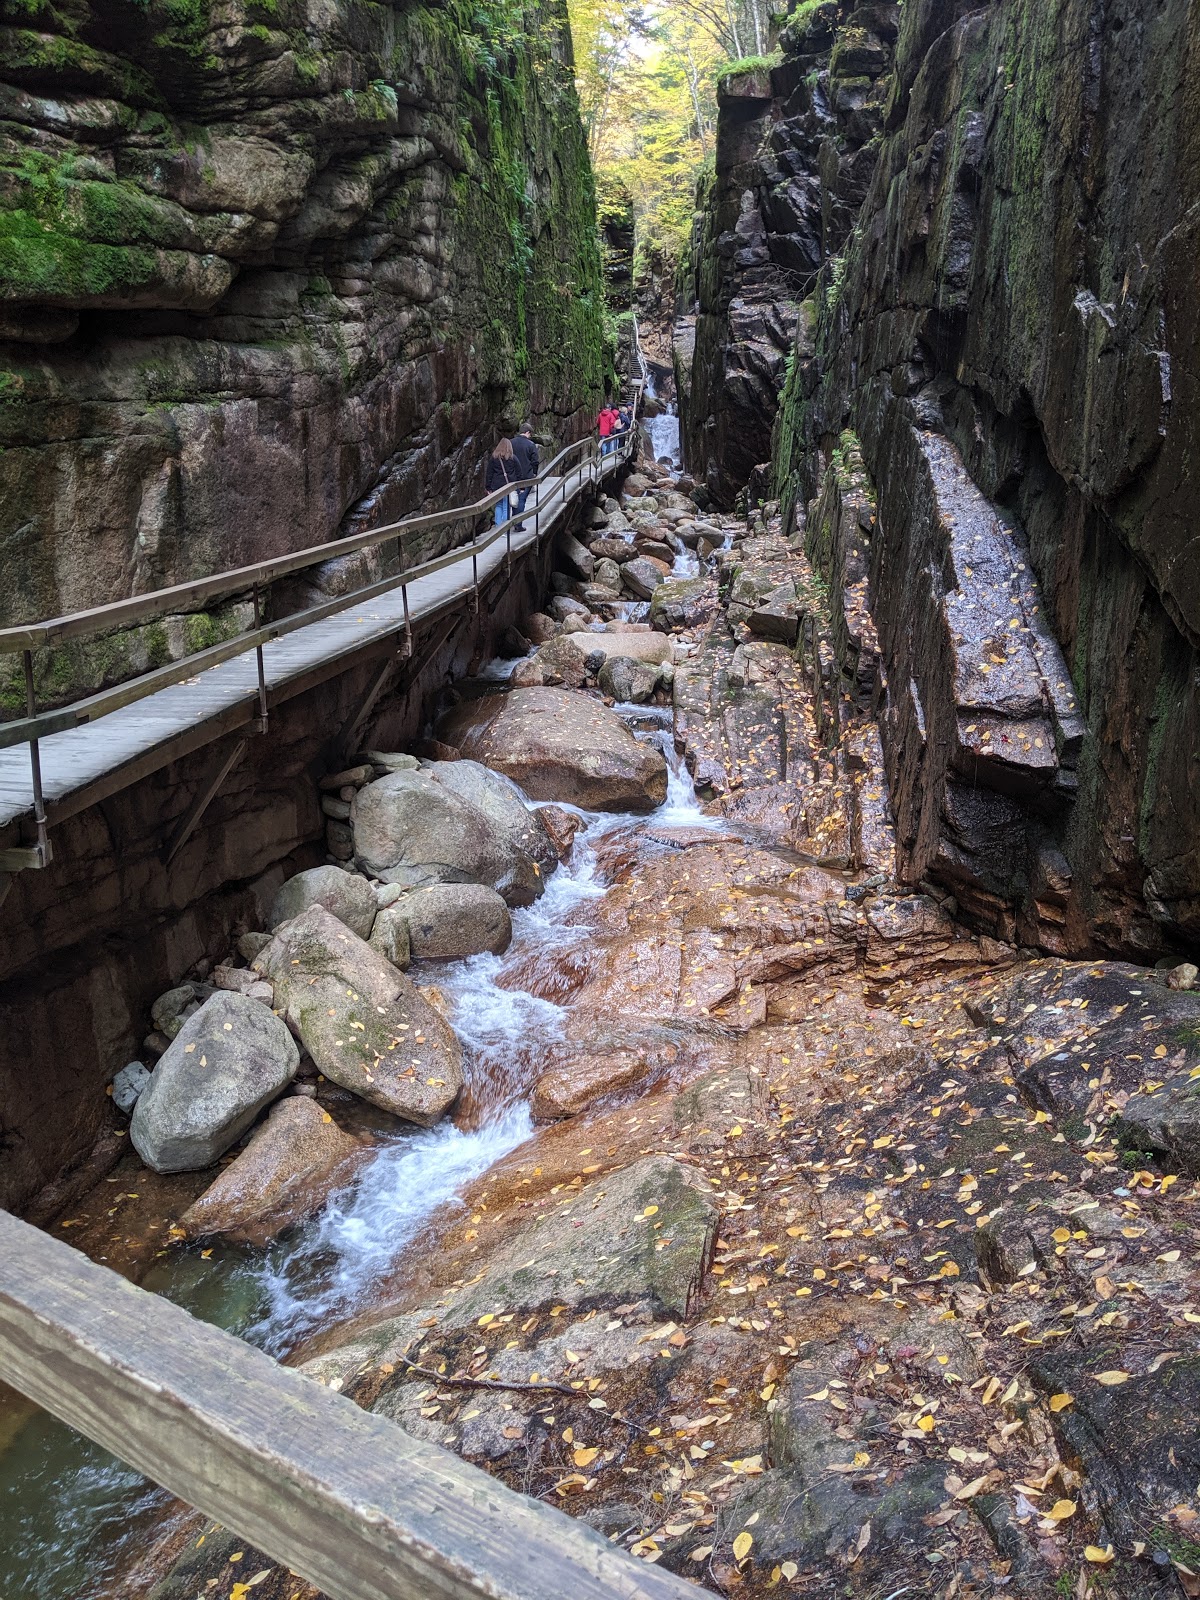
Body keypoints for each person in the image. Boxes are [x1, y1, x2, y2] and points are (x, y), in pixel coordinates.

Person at [509, 423, 539, 530]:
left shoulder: (511, 443)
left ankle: (513, 520)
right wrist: (534, 473)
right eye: (530, 434)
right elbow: (535, 461)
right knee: (521, 499)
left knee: (514, 498)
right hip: (526, 476)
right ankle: (518, 524)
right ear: (527, 432)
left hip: (513, 476)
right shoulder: (530, 445)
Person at [485, 436, 520, 527]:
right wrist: (520, 486)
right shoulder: (513, 458)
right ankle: (504, 527)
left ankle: (498, 525)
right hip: (509, 485)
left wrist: (488, 487)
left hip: (497, 486)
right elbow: (519, 472)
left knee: (499, 505)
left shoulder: (494, 458)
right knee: (506, 506)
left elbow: (489, 473)